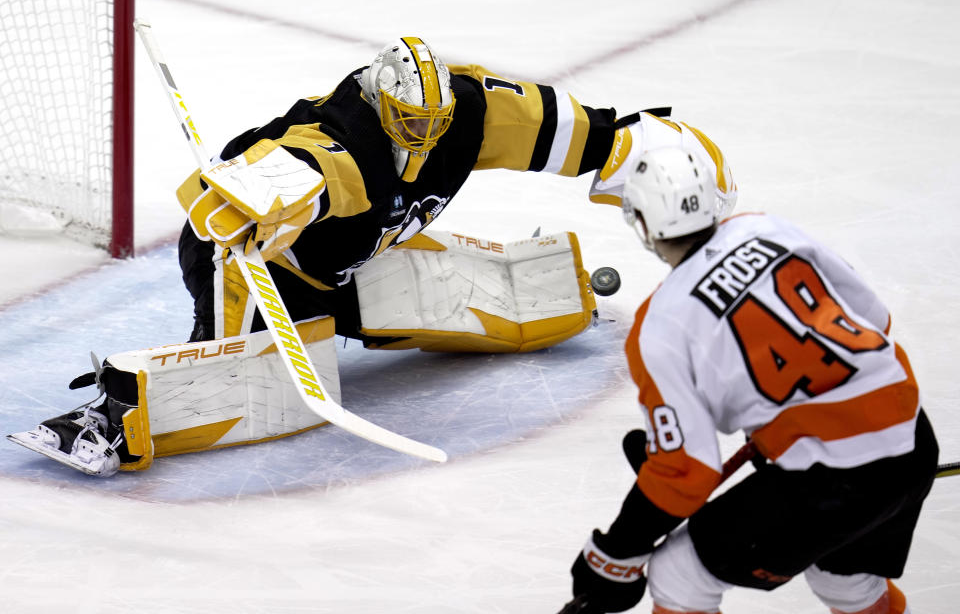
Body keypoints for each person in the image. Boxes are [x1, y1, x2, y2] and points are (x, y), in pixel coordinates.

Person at [10, 37, 736, 477]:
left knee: (499, 307)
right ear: (382, 102)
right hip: (262, 263)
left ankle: (539, 289)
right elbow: (278, 172)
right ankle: (114, 417)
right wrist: (243, 201)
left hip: (355, 255)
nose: (423, 135)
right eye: (408, 123)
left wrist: (630, 146)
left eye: (434, 122)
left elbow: (566, 129)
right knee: (266, 394)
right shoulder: (339, 144)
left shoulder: (471, 109)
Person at [564, 147, 939, 614]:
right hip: (914, 439)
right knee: (845, 580)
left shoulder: (660, 326)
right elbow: (874, 320)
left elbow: (686, 470)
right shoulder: (766, 228)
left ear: (642, 223)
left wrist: (615, 554)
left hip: (833, 479)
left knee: (680, 576)